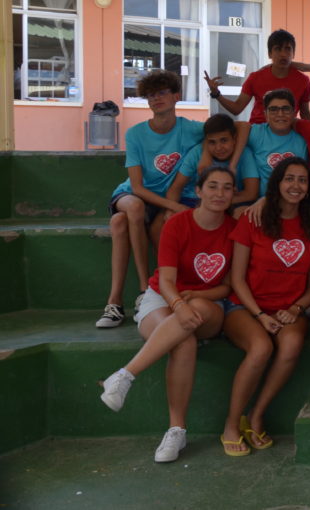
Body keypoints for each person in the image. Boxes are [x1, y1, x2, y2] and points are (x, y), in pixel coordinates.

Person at [99, 167, 237, 463]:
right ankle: (177, 430)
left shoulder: (234, 230)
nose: (220, 193)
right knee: (183, 341)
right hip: (164, 297)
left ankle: (125, 375)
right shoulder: (176, 224)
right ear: (198, 191)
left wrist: (195, 297)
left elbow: (227, 286)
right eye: (213, 186)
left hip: (208, 303)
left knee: (198, 310)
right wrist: (178, 304)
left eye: (227, 188)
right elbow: (165, 281)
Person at [219, 158, 310, 456]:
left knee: (291, 346)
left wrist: (296, 309)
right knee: (261, 348)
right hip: (245, 307)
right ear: (277, 183)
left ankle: (256, 415)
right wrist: (260, 315)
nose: (295, 185)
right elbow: (237, 279)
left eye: (302, 180)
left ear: (308, 188)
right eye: (289, 178)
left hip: (289, 309)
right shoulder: (254, 218)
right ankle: (231, 425)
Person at [98, 69, 204, 328]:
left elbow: (235, 129)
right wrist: (175, 206)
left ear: (176, 96)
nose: (156, 99)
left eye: (162, 92)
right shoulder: (135, 134)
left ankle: (115, 302)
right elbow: (136, 187)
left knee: (118, 223)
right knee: (133, 208)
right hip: (133, 195)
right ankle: (144, 289)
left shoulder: (191, 129)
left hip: (161, 201)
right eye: (151, 95)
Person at [205, 28, 310, 123]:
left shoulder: (303, 80)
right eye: (278, 49)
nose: (283, 54)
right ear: (269, 54)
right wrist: (216, 94)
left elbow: (305, 113)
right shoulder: (255, 78)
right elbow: (237, 108)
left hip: (287, 132)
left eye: (288, 49)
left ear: (293, 53)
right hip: (258, 131)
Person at [166, 114, 260, 213]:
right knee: (164, 219)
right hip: (193, 200)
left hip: (230, 200)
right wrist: (170, 210)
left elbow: (251, 193)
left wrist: (215, 202)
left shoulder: (245, 154)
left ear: (234, 139)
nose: (218, 148)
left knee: (240, 213)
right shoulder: (197, 152)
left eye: (224, 140)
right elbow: (176, 187)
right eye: (212, 142)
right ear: (206, 142)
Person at [234, 89, 309, 197]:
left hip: (292, 199)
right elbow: (221, 128)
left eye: (286, 109)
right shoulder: (256, 133)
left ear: (293, 113)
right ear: (265, 114)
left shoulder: (303, 141)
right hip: (261, 202)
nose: (280, 114)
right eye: (273, 109)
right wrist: (232, 166)